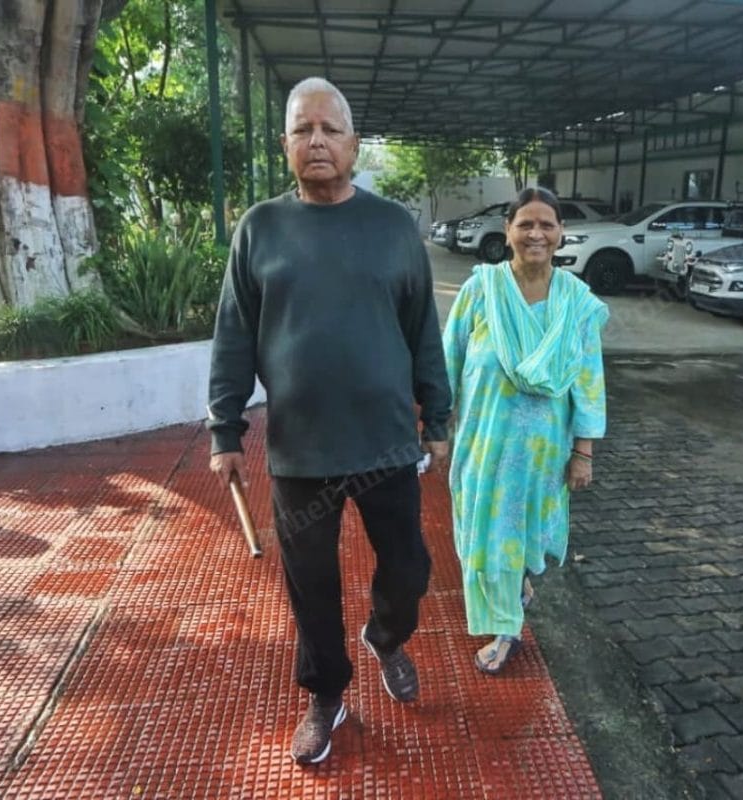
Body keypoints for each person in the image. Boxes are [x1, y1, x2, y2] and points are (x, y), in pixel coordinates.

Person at [206, 77, 451, 765]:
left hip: (386, 443)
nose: (316, 140)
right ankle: (326, 694)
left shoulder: (393, 226)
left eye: (330, 129)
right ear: (285, 143)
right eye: (302, 129)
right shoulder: (260, 228)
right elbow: (233, 336)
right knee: (310, 585)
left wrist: (438, 411)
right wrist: (224, 429)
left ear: (354, 144)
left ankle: (386, 635)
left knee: (409, 566)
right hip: (301, 450)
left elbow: (421, 329)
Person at [442, 187, 609, 673]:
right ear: (508, 231)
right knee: (484, 534)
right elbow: (448, 359)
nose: (536, 233)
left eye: (546, 224)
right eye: (525, 224)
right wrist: (436, 422)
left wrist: (584, 453)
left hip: (541, 454)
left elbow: (589, 382)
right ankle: (509, 607)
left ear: (560, 234)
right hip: (482, 443)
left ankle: (507, 624)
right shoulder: (481, 291)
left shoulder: (576, 304)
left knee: (515, 536)